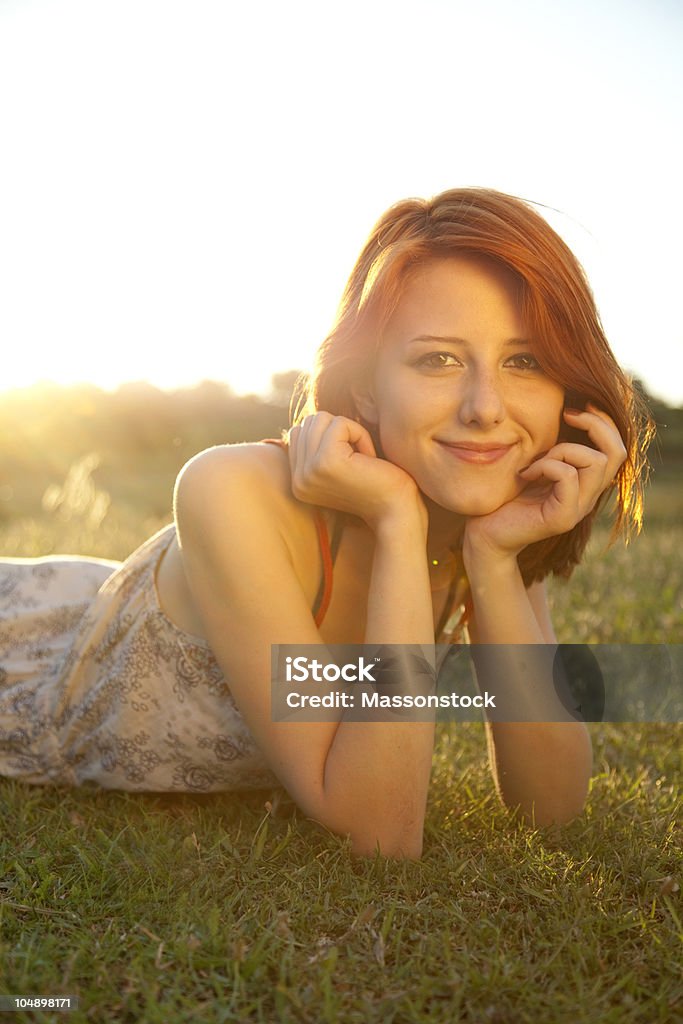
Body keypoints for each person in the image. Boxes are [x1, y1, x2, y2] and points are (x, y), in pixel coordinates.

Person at [0, 188, 652, 858]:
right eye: (438, 359)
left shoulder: (486, 519)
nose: (485, 408)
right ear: (367, 386)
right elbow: (379, 834)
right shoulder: (229, 489)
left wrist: (491, 560)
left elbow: (552, 808)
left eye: (525, 362)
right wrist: (397, 520)